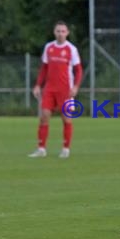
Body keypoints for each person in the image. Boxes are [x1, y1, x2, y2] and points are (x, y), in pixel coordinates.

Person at [28, 21, 83, 159]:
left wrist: (75, 86)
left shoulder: (71, 49)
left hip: (66, 90)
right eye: (58, 31)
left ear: (67, 33)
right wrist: (37, 85)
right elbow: (44, 68)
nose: (60, 34)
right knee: (44, 117)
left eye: (63, 31)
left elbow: (78, 70)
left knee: (67, 119)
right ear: (54, 32)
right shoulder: (49, 47)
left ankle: (66, 149)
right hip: (50, 89)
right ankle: (41, 149)